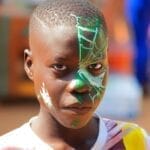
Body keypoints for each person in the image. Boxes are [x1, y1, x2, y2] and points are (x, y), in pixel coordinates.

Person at [0, 0, 149, 149]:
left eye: (95, 66)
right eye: (60, 67)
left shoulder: (133, 142)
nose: (80, 85)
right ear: (29, 65)